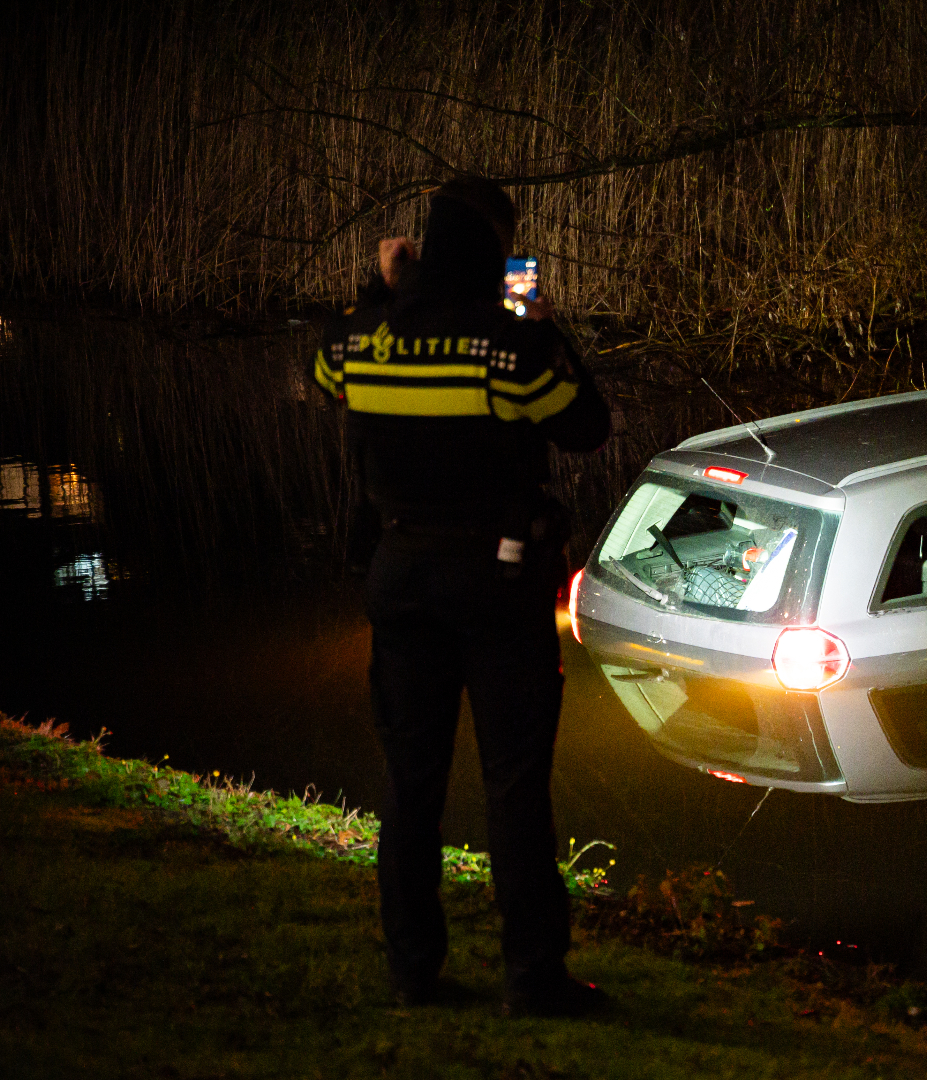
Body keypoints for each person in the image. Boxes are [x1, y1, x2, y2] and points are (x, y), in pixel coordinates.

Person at [310, 177, 612, 1016]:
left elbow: (325, 369)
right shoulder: (508, 349)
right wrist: (539, 320)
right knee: (515, 783)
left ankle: (412, 969)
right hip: (499, 581)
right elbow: (586, 426)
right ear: (493, 249)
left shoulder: (359, 340)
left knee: (410, 783)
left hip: (401, 576)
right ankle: (531, 976)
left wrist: (387, 287)